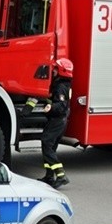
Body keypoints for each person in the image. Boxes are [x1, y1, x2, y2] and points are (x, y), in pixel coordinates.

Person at [38, 58, 74, 189]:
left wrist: (51, 107)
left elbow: (61, 105)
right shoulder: (63, 84)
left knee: (46, 144)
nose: (53, 71)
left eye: (55, 69)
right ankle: (49, 176)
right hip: (60, 120)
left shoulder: (60, 86)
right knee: (50, 147)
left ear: (61, 71)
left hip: (57, 120)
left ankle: (61, 175)